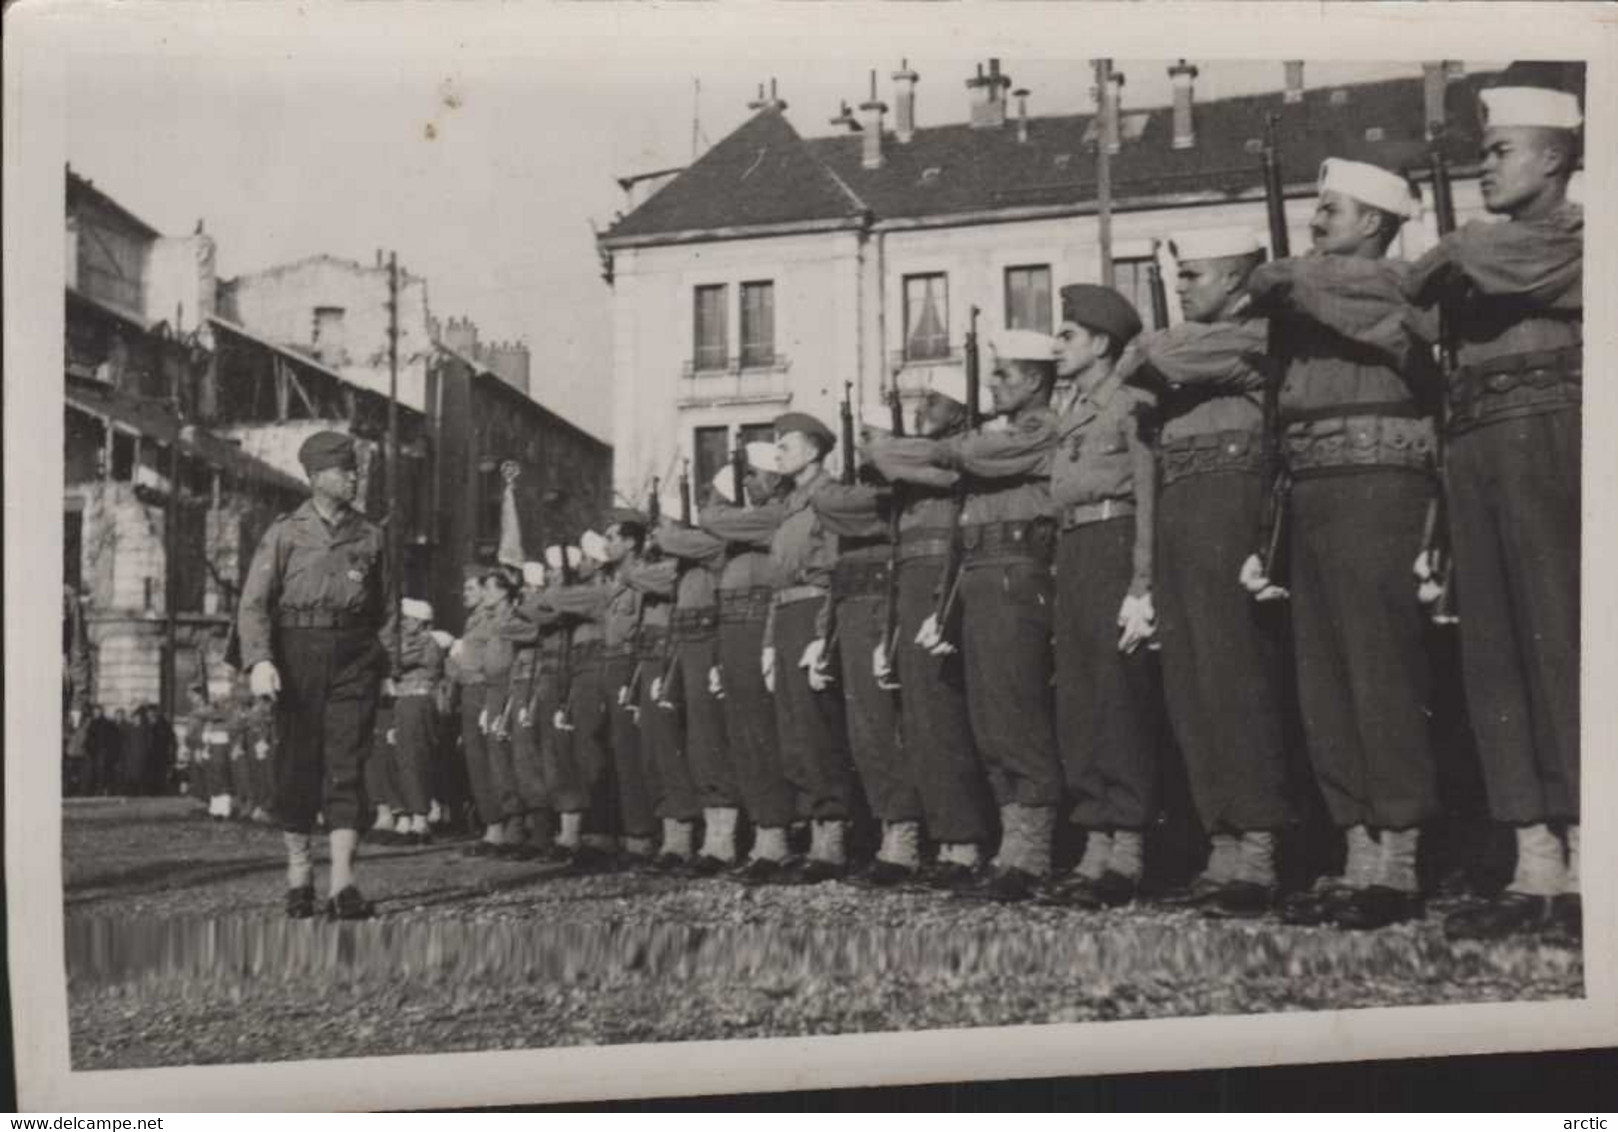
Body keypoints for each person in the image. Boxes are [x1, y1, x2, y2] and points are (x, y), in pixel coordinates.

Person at [1403, 70, 1584, 943]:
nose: (1485, 166)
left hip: (1555, 441)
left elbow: (1472, 260)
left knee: (1564, 645)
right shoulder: (1483, 252)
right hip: (1476, 449)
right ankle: (1534, 858)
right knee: (1497, 661)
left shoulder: (1579, 231)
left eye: (1501, 150)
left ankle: (1594, 853)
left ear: (1555, 160)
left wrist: (1446, 252)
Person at [1245, 156, 1439, 931]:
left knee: (1378, 667)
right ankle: (1357, 845)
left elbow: (1387, 319)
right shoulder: (1302, 287)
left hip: (1379, 482)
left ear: (1376, 224)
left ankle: (1400, 855)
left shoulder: (1401, 284)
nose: (1316, 220)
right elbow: (1263, 286)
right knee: (1324, 677)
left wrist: (1296, 281)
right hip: (1312, 485)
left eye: (1332, 209)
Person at [1121, 228, 1296, 918]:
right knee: (1192, 688)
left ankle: (1259, 846)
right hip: (1182, 519)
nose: (1182, 288)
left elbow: (1146, 353)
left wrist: (1154, 351)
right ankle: (1222, 840)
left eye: (1193, 276)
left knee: (1238, 683)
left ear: (1234, 280)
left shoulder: (1255, 335)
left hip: (1233, 512)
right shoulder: (1194, 351)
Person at [868, 332, 1064, 903]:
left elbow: (971, 457)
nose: (995, 384)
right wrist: (953, 454)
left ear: (1034, 380)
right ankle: (1011, 847)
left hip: (1016, 569)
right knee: (988, 718)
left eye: (1003, 374)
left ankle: (1033, 852)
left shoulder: (1041, 427)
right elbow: (885, 456)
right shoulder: (989, 438)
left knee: (1015, 714)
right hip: (980, 571)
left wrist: (953, 454)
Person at [1037, 295, 1164, 911]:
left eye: (1068, 335)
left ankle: (1130, 847)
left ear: (1103, 345)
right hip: (1076, 550)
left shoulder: (1131, 403)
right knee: (1081, 701)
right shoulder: (1072, 409)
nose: (1056, 346)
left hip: (1115, 543)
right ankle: (1095, 840)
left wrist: (1143, 583)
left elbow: (1148, 494)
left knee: (1119, 698)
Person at [238, 429, 392, 921]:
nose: (353, 476)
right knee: (298, 765)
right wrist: (261, 660)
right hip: (296, 652)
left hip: (354, 655)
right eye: (344, 469)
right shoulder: (284, 533)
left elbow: (386, 610)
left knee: (348, 763)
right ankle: (299, 873)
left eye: (354, 468)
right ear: (316, 476)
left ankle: (343, 883)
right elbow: (254, 603)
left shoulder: (371, 535)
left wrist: (381, 664)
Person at [865, 382, 993, 890]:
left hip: (947, 578)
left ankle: (965, 842)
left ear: (962, 409)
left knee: (946, 716)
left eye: (935, 402)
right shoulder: (927, 458)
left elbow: (891, 458)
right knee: (920, 722)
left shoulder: (967, 451)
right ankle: (946, 839)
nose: (924, 411)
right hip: (913, 583)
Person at [810, 439, 923, 888]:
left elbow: (833, 505)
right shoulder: (864, 498)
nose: (866, 452)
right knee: (864, 732)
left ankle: (904, 837)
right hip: (853, 608)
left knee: (884, 729)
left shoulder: (888, 497)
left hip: (883, 607)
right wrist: (824, 634)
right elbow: (838, 570)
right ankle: (888, 832)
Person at [760, 412, 860, 884]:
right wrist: (767, 641)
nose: (777, 452)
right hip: (785, 616)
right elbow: (775, 583)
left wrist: (824, 634)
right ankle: (815, 832)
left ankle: (832, 841)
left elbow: (836, 569)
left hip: (815, 610)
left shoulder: (829, 497)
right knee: (794, 732)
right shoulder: (790, 504)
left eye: (786, 445)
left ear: (815, 451)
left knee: (818, 730)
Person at [699, 445, 796, 881]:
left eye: (754, 475)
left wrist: (720, 495)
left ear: (776, 478)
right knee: (741, 734)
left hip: (760, 623)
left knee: (761, 735)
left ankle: (773, 840)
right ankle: (759, 835)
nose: (748, 484)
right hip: (734, 625)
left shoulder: (773, 514)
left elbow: (712, 520)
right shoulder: (746, 525)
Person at [451, 566, 510, 857]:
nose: (472, 594)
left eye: (476, 589)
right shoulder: (474, 620)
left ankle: (503, 826)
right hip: (470, 690)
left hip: (486, 688)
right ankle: (492, 825)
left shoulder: (499, 618)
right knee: (476, 760)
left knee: (493, 759)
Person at [386, 597, 444, 846]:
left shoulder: (425, 642)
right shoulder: (410, 642)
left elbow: (396, 663)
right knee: (403, 760)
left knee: (415, 759)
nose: (403, 623)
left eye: (408, 619)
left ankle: (421, 817)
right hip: (404, 702)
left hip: (417, 701)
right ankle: (411, 814)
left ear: (421, 622)